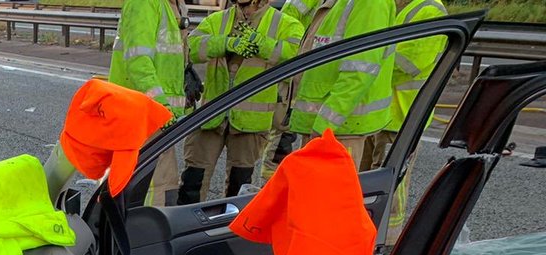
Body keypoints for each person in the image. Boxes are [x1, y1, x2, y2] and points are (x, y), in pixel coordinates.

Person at [180, 0, 304, 203]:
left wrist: (260, 44)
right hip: (212, 115)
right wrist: (226, 43)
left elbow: (296, 54)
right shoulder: (218, 20)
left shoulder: (285, 24)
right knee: (192, 182)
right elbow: (190, 48)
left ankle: (227, 233)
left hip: (251, 122)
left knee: (238, 190)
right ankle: (187, 230)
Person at [361, 0, 448, 236]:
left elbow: (408, 64)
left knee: (390, 181)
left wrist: (368, 64)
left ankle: (386, 239)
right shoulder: (395, 7)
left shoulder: (429, 10)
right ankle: (365, 232)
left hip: (402, 117)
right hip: (375, 114)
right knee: (367, 178)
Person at [284, 0, 396, 169]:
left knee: (329, 193)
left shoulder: (369, 4)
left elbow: (358, 74)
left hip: (338, 130)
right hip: (328, 128)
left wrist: (324, 126)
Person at [109, 0, 190, 205]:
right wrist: (162, 104)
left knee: (162, 182)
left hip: (155, 114)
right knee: (155, 185)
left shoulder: (173, 5)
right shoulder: (145, 3)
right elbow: (138, 61)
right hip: (144, 112)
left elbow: (167, 57)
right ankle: (146, 233)